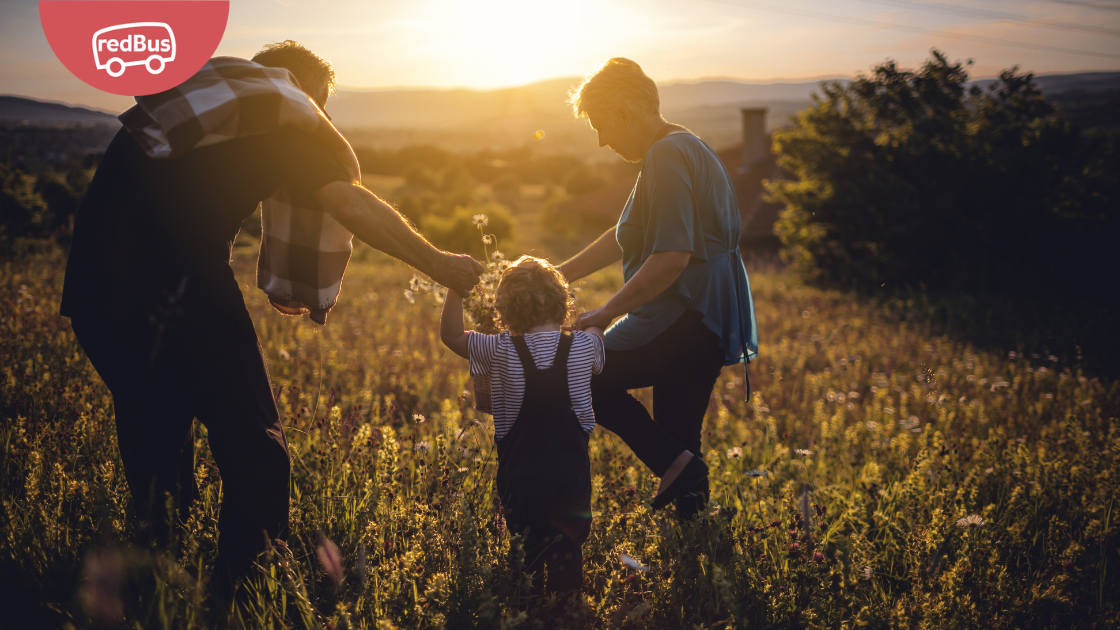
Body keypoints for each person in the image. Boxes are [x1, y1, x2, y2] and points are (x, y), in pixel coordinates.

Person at [59, 41, 483, 599]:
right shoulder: (287, 112)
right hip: (181, 285)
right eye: (323, 106)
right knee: (256, 451)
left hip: (92, 294)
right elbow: (348, 201)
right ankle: (245, 594)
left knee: (158, 436)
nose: (322, 120)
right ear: (307, 92)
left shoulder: (205, 103)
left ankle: (158, 586)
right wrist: (441, 263)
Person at [560, 58, 759, 519]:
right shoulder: (682, 145)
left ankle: (683, 481)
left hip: (684, 314)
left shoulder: (666, 156)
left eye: (601, 125)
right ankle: (696, 543)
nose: (602, 140)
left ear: (626, 113)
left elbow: (671, 258)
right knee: (680, 438)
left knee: (582, 379)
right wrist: (558, 274)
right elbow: (624, 234)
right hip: (708, 318)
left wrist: (603, 314)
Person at [439, 256, 605, 597]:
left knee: (523, 550)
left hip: (520, 477)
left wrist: (455, 286)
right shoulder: (584, 347)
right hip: (570, 478)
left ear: (505, 310)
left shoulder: (498, 348)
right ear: (563, 306)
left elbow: (451, 334)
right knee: (568, 551)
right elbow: (598, 346)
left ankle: (523, 606)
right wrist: (596, 322)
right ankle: (565, 613)